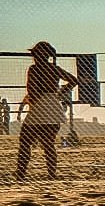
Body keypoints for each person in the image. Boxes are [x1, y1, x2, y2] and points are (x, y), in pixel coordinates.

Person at [16, 41, 78, 181]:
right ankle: (51, 175)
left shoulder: (34, 69)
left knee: (25, 141)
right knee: (48, 143)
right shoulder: (54, 69)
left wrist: (35, 100)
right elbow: (73, 80)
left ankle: (21, 175)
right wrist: (60, 93)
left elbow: (31, 89)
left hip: (40, 105)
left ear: (37, 55)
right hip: (53, 105)